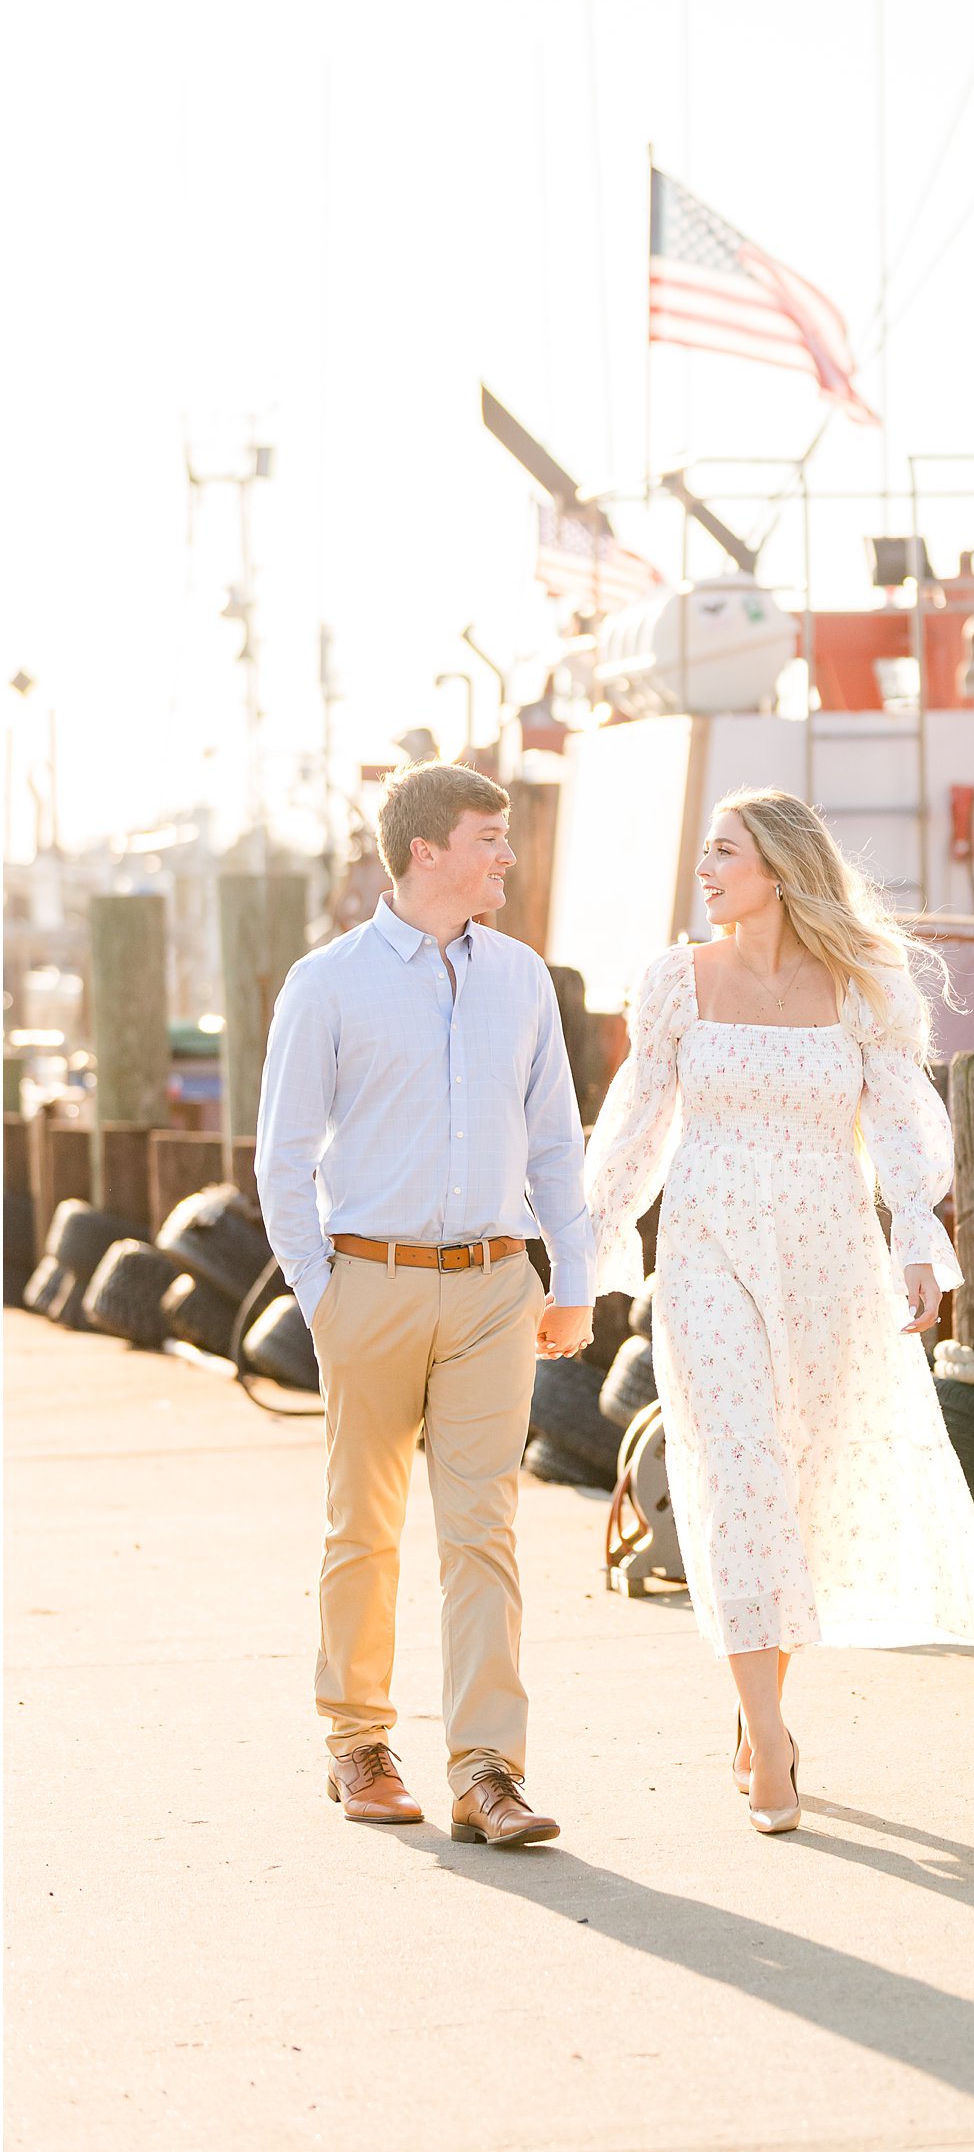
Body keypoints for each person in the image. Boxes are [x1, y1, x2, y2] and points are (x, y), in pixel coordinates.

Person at [586, 789, 974, 1835]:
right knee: (736, 1477)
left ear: (776, 868)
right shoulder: (673, 984)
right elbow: (636, 1126)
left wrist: (917, 1241)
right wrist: (584, 1257)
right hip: (707, 1251)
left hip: (829, 1256)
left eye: (722, 851)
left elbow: (905, 1125)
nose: (705, 867)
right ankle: (766, 1733)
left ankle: (757, 1704)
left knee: (802, 1485)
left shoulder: (862, 987)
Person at [256, 758, 594, 1847]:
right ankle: (358, 1742)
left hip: (498, 1286)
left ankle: (487, 1772)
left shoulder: (521, 977)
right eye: (488, 836)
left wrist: (572, 1281)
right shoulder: (329, 981)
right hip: (371, 1284)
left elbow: (553, 1141)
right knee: (363, 1526)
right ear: (425, 852)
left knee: (483, 1531)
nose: (506, 854)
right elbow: (282, 1158)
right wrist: (324, 1292)